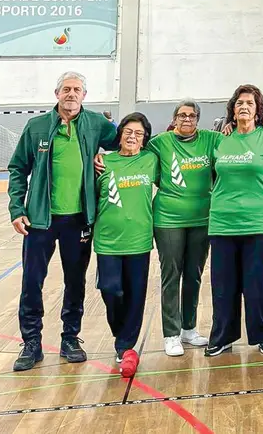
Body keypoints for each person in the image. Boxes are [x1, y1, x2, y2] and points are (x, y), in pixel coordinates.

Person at [7, 71, 118, 372]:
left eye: (77, 89)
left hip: (79, 219)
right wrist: (17, 209)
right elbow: (17, 169)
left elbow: (128, 138)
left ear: (85, 95)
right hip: (40, 220)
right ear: (57, 94)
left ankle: (70, 337)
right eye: (66, 89)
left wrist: (107, 158)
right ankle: (32, 343)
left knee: (75, 280)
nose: (71, 94)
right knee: (32, 282)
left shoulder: (96, 124)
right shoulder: (37, 127)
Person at [205, 84, 263, 356]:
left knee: (256, 284)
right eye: (239, 103)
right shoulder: (220, 140)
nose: (244, 107)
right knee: (223, 285)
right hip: (223, 222)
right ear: (232, 109)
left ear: (258, 111)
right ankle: (222, 337)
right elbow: (211, 175)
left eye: (250, 103)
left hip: (260, 222)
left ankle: (262, 335)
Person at [145, 101, 225, 355]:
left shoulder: (211, 140)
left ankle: (189, 329)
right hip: (168, 219)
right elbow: (133, 150)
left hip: (202, 219)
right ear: (174, 118)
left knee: (194, 274)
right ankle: (171, 333)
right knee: (172, 275)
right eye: (182, 115)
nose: (187, 119)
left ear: (198, 119)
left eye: (192, 115)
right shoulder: (160, 142)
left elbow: (238, 136)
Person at [93, 113, 160, 363]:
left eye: (139, 133)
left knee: (135, 294)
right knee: (110, 290)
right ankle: (120, 332)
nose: (133, 137)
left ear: (145, 139)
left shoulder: (151, 160)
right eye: (128, 132)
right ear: (119, 135)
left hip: (139, 240)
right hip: (108, 241)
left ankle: (125, 344)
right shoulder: (103, 163)